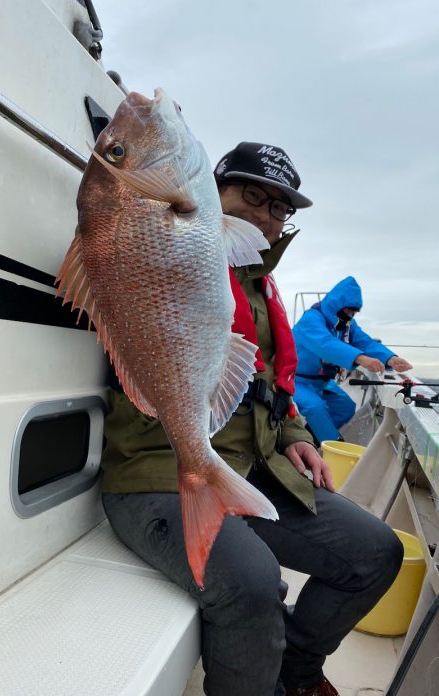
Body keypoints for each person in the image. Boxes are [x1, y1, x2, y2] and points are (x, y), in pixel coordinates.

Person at [101, 142, 404, 696]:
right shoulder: (172, 249)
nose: (265, 215)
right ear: (208, 194)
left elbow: (263, 380)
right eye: (250, 195)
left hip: (248, 468)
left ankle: (298, 670)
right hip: (155, 471)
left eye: (279, 208)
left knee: (376, 553)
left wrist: (292, 434)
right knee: (254, 584)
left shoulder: (260, 288)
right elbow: (111, 246)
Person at [292, 276, 413, 445]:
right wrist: (360, 358)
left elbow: (365, 341)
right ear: (337, 305)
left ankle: (308, 440)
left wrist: (390, 358)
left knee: (345, 406)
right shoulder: (311, 319)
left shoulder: (346, 323)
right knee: (315, 408)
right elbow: (325, 344)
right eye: (348, 311)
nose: (350, 316)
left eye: (353, 313)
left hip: (322, 383)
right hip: (295, 381)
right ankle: (333, 446)